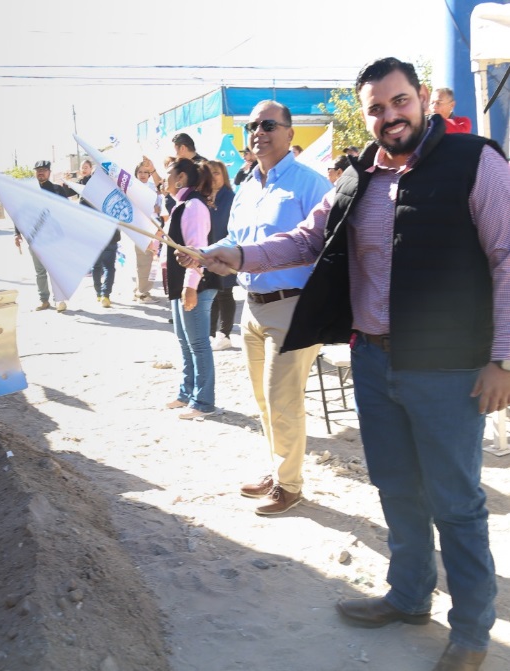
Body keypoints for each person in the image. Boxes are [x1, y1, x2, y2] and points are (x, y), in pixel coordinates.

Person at [193, 57, 510, 671]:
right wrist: (236, 253)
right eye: (376, 108)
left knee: (457, 502)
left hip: (449, 369)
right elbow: (308, 239)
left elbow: (507, 259)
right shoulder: (358, 174)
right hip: (373, 360)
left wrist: (503, 357)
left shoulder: (476, 161)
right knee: (394, 486)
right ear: (363, 116)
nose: (389, 116)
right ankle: (410, 594)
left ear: (420, 99)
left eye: (399, 102)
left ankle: (471, 631)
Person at [198, 99, 332, 515]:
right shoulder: (247, 188)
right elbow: (236, 246)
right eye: (253, 125)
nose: (259, 132)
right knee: (262, 400)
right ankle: (277, 471)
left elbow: (326, 247)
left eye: (269, 124)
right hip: (251, 308)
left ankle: (290, 486)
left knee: (283, 400)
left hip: (293, 308)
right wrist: (202, 254)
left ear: (290, 133)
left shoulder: (311, 185)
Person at [163, 158, 220, 420]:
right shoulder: (180, 205)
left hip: (197, 284)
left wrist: (190, 287)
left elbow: (196, 250)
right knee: (185, 343)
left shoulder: (194, 206)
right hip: (180, 284)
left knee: (198, 343)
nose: (164, 178)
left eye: (168, 173)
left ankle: (203, 401)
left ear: (181, 178)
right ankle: (187, 393)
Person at [14, 159, 74, 312]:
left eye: (44, 170)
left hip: (54, 237)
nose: (41, 172)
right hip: (35, 237)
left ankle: (60, 300)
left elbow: (66, 213)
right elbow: (20, 214)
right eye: (38, 170)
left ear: (49, 172)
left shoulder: (57, 190)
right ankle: (44, 300)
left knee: (55, 269)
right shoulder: (28, 192)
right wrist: (17, 234)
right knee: (40, 272)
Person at [206, 160, 236, 351]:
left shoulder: (231, 197)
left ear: (224, 175)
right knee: (211, 295)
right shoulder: (203, 197)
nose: (213, 177)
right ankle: (209, 334)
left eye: (217, 173)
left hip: (225, 250)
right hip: (207, 252)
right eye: (209, 173)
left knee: (225, 293)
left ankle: (225, 334)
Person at [83, 159, 120, 308]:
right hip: (104, 234)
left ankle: (101, 294)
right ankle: (104, 294)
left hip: (102, 234)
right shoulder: (115, 191)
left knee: (99, 266)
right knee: (107, 267)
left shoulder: (89, 191)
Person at [130, 161, 161, 303]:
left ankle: (140, 289)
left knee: (149, 261)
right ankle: (143, 293)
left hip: (154, 228)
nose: (143, 175)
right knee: (144, 261)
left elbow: (159, 207)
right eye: (140, 172)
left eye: (145, 172)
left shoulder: (152, 187)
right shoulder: (132, 189)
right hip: (141, 228)